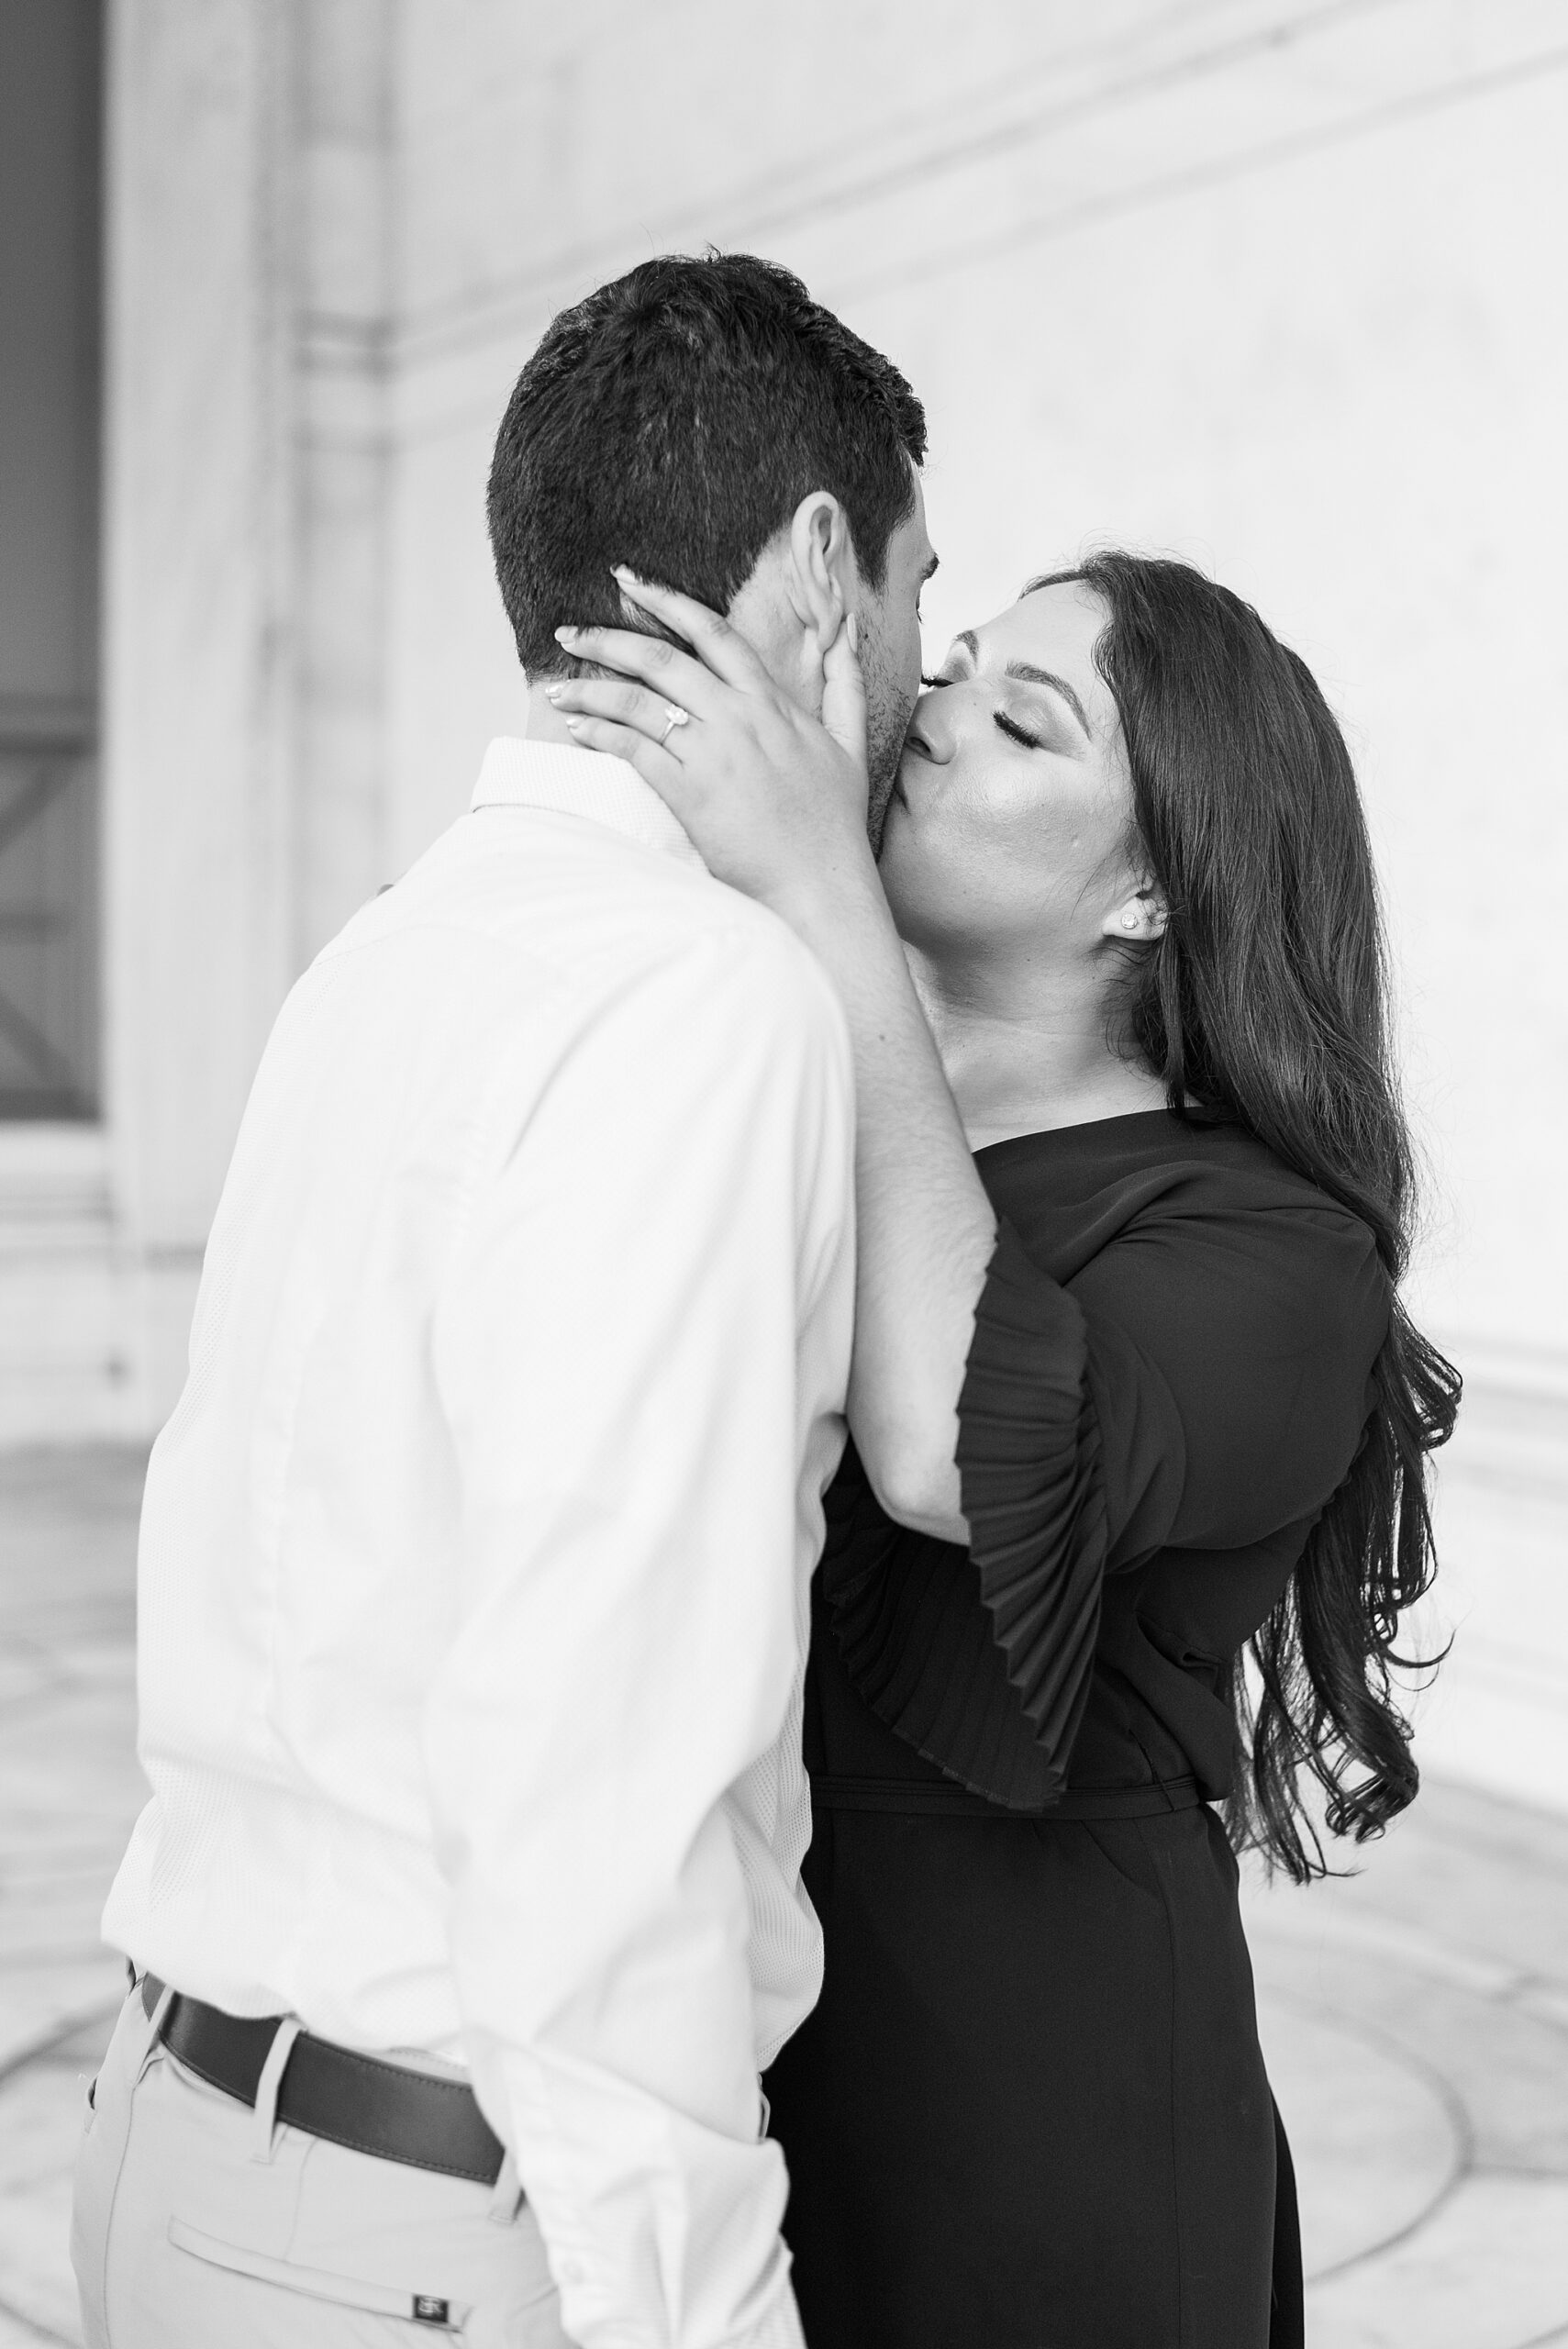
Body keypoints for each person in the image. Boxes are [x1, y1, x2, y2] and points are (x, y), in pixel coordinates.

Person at [71, 253, 939, 2349]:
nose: (926, 662)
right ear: (821, 570)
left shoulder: (380, 954)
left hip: (164, 2150)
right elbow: (605, 1790)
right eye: (923, 585)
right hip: (417, 2236)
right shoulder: (709, 1000)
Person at [543, 550, 1462, 2349]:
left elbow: (951, 1453)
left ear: (1145, 894)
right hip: (729, 2048)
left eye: (1020, 716)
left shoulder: (1279, 1249)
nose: (936, 708)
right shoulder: (795, 1077)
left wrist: (818, 881)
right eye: (953, 661)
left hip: (1043, 2108)